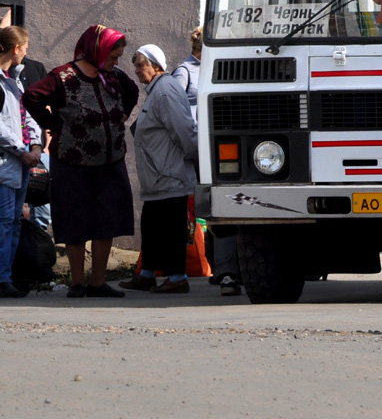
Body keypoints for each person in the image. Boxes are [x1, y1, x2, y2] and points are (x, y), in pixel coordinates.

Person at [24, 24, 138, 299]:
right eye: (112, 56)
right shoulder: (63, 77)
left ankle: (97, 283)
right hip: (73, 162)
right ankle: (77, 283)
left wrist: (121, 116)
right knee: (75, 222)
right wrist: (54, 125)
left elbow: (132, 92)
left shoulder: (114, 76)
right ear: (95, 51)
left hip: (110, 161)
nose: (116, 62)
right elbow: (32, 96)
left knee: (106, 222)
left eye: (118, 57)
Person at [119, 44, 198, 294]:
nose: (136, 70)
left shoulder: (164, 91)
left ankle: (178, 277)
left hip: (169, 172)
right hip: (158, 174)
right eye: (135, 65)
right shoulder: (157, 90)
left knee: (171, 227)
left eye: (141, 65)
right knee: (152, 226)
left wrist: (193, 158)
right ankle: (147, 273)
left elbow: (184, 130)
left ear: (156, 65)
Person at [172, 27, 242, 296]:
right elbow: (177, 109)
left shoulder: (223, 67)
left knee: (220, 206)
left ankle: (224, 269)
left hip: (222, 145)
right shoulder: (185, 72)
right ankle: (224, 270)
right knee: (215, 207)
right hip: (203, 147)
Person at [0, 26, 44, 298]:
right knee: (4, 221)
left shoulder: (13, 80)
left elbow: (26, 114)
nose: (27, 53)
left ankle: (7, 275)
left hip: (21, 163)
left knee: (13, 222)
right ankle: (2, 277)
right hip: (6, 164)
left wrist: (37, 143)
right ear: (16, 49)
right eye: (25, 48)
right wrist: (21, 150)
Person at [17, 55, 50, 230]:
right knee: (11, 214)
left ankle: (38, 246)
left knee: (42, 208)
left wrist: (46, 144)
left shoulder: (36, 68)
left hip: (39, 151)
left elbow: (46, 107)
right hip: (13, 153)